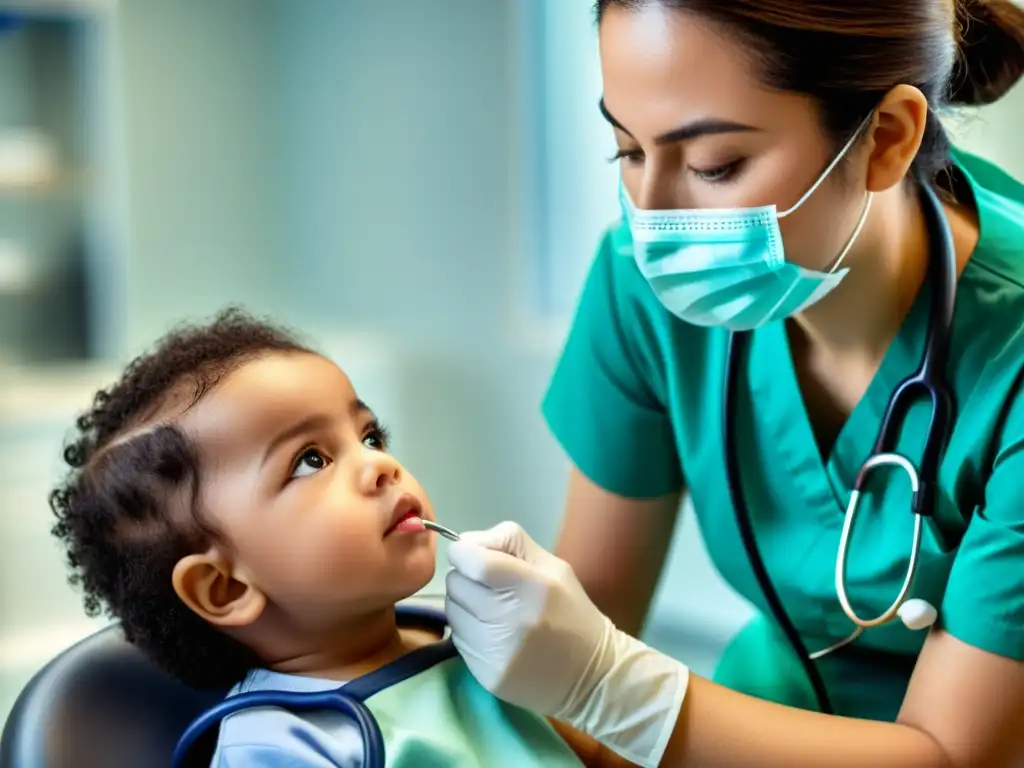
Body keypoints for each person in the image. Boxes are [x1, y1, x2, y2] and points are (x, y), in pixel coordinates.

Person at [443, 0, 1024, 766]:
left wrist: (612, 691)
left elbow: (954, 756)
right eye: (627, 150)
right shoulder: (635, 285)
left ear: (886, 138)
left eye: (713, 164)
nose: (651, 217)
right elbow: (592, 624)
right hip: (749, 719)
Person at [48, 308, 636, 767]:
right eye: (310, 461)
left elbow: (608, 754)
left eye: (370, 436)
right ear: (224, 587)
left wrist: (594, 673)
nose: (379, 466)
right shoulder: (282, 747)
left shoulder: (473, 640)